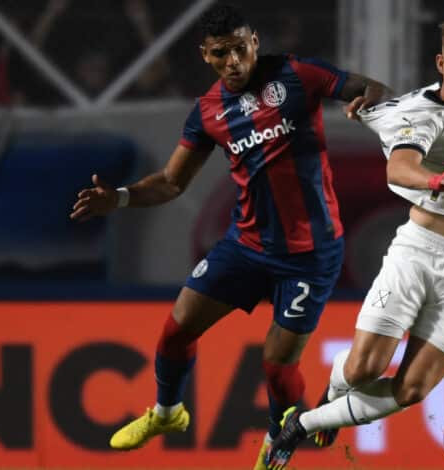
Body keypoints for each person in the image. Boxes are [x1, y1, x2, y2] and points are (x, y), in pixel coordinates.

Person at [69, 3, 391, 469]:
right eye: (222, 54)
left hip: (311, 255)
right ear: (206, 55)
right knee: (176, 330)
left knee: (278, 366)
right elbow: (171, 182)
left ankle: (278, 438)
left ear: (255, 42)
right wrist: (117, 198)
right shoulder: (208, 112)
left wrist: (373, 102)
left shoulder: (298, 74)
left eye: (241, 49)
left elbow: (370, 87)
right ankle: (167, 412)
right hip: (245, 246)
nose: (234, 62)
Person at [265, 10, 444, 469]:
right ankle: (336, 391)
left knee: (413, 389)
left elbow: (384, 114)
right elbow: (399, 166)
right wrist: (436, 179)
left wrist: (370, 112)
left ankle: (303, 423)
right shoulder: (422, 116)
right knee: (364, 369)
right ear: (441, 62)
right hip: (419, 252)